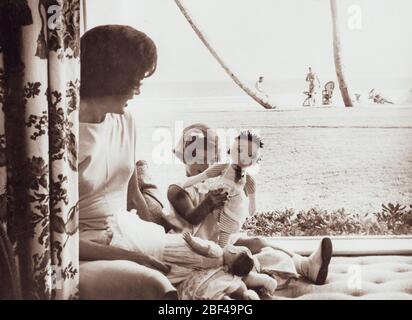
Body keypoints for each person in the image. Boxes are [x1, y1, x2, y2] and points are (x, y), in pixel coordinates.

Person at [166, 123, 333, 288]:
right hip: (194, 247)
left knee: (258, 241)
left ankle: (305, 265)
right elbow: (193, 218)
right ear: (182, 156)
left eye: (210, 159)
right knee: (242, 260)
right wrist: (210, 201)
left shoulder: (213, 183)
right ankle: (270, 274)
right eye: (196, 158)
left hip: (216, 239)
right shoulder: (177, 189)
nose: (204, 165)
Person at [78, 25, 175, 299]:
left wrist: (159, 236)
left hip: (124, 235)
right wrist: (132, 257)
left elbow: (134, 197)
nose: (138, 92)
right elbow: (52, 236)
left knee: (216, 258)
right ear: (111, 77)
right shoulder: (60, 135)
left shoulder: (125, 120)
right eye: (135, 82)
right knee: (155, 283)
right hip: (79, 251)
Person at [181, 131, 263, 247]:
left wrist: (252, 206)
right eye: (240, 150)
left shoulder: (247, 178)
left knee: (226, 235)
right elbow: (204, 175)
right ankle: (219, 249)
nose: (244, 157)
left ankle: (222, 251)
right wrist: (190, 182)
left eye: (251, 155)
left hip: (232, 210)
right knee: (215, 225)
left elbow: (252, 196)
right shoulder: (223, 168)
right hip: (216, 209)